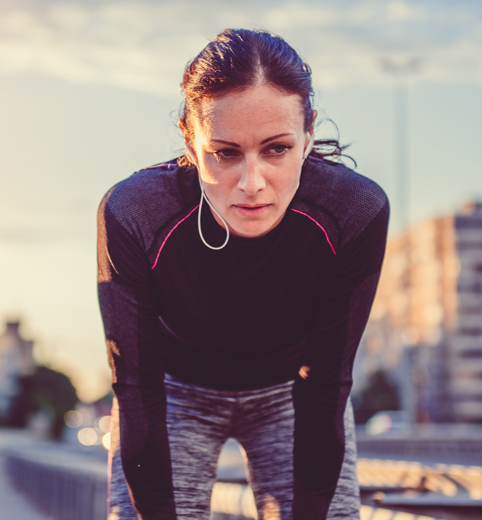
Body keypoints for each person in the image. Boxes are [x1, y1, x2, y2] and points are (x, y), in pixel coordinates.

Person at [97, 28, 389, 520]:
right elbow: (136, 385)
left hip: (291, 393)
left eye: (276, 149)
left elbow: (326, 382)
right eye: (225, 153)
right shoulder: (135, 213)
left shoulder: (354, 210)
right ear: (190, 140)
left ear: (308, 134)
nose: (252, 184)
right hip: (171, 392)